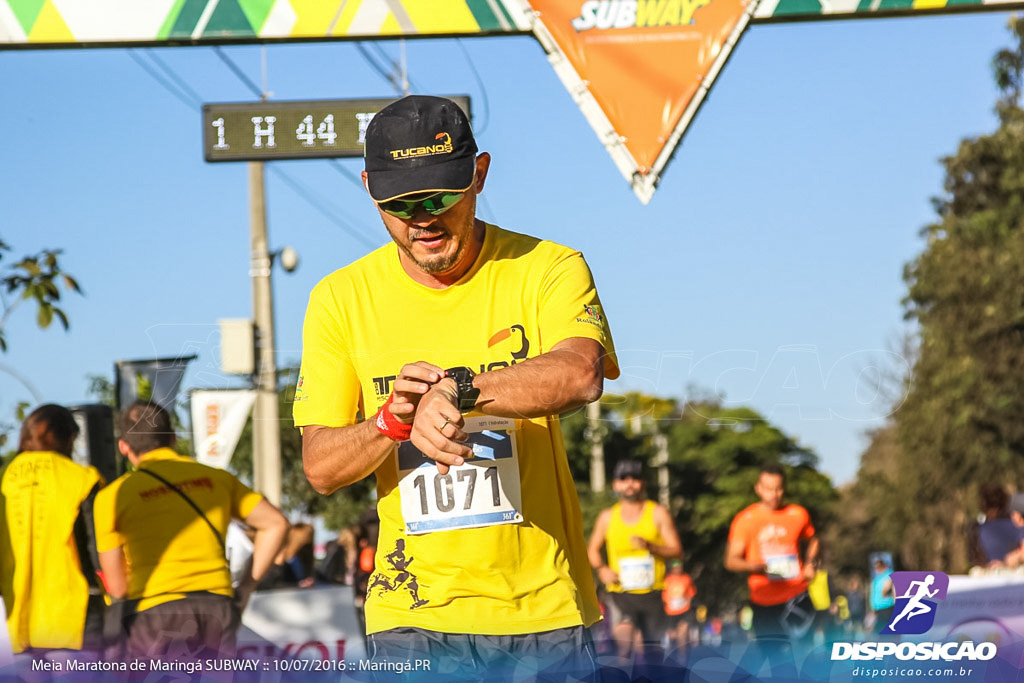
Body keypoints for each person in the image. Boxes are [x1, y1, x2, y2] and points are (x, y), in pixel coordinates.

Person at [293, 94, 619, 679]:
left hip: (540, 608)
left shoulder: (547, 267)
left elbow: (580, 372)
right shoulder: (340, 299)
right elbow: (319, 466)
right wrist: (391, 422)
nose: (423, 218)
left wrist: (458, 390)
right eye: (399, 203)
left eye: (441, 196)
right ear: (368, 187)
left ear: (480, 175)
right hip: (409, 612)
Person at [93, 400, 288, 661]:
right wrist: (245, 588)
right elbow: (276, 524)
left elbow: (117, 587)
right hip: (216, 608)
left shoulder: (112, 497)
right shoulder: (217, 478)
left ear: (123, 446)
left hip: (153, 612)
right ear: (172, 438)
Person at [0, 404, 105, 654]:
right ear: (68, 437)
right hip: (75, 617)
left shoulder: (4, 478)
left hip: (18, 617)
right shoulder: (82, 478)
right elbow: (97, 549)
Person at [724, 464, 818, 676]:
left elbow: (813, 540)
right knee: (779, 663)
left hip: (796, 597)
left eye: (778, 489)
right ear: (758, 488)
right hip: (763, 602)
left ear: (784, 488)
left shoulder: (798, 514)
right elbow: (731, 560)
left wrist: (811, 563)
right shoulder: (746, 520)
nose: (774, 494)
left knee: (806, 657)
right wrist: (756, 567)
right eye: (768, 488)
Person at [587, 459, 682, 661]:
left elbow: (676, 550)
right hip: (620, 593)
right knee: (626, 648)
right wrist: (601, 569)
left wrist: (652, 546)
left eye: (635, 478)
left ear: (642, 483)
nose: (629, 484)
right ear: (615, 484)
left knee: (651, 653)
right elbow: (592, 550)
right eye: (623, 479)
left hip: (652, 593)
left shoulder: (657, 513)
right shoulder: (607, 517)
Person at [661, 559, 697, 656]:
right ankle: (672, 652)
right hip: (670, 611)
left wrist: (687, 604)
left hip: (684, 610)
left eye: (679, 567)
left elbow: (690, 593)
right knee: (672, 634)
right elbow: (662, 594)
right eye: (675, 567)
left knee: (683, 633)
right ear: (672, 568)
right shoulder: (666, 580)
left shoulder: (686, 578)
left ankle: (683, 658)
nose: (677, 569)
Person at [869, 557, 895, 633]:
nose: (876, 570)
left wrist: (886, 589)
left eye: (877, 567)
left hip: (887, 607)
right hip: (878, 609)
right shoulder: (877, 578)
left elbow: (887, 588)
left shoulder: (889, 574)